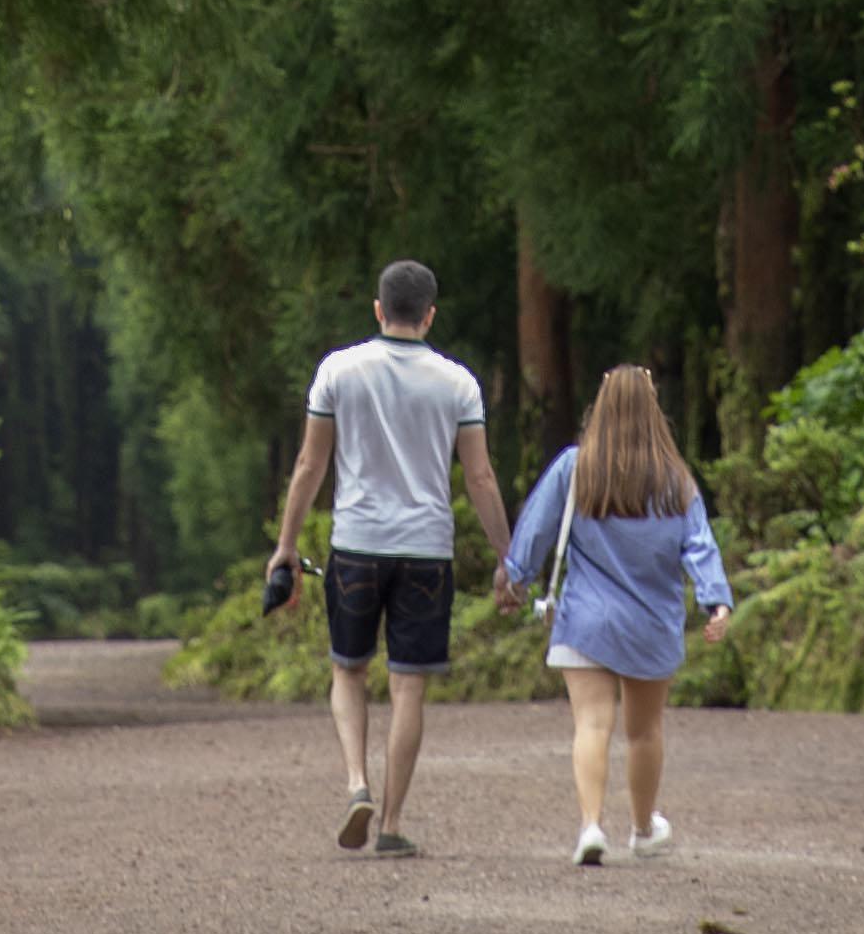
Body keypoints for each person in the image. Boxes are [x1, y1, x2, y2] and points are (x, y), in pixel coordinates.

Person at [260, 258, 502, 856]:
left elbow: (310, 465)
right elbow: (479, 476)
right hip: (426, 550)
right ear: (429, 315)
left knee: (348, 670)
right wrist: (507, 556)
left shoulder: (338, 370)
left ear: (378, 309)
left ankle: (356, 783)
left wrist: (286, 547)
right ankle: (391, 823)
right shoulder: (458, 383)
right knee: (409, 688)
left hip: (357, 545)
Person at [493, 362, 729, 869]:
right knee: (643, 732)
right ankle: (643, 830)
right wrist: (717, 600)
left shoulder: (576, 468)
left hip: (586, 620)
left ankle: (591, 826)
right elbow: (700, 545)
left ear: (599, 411)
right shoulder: (675, 479)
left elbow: (535, 532)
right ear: (654, 413)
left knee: (591, 726)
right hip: (650, 624)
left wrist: (515, 579)